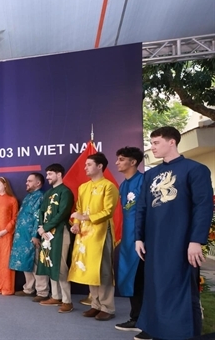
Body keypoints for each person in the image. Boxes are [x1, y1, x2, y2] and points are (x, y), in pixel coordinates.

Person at [135, 126, 213, 340]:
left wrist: (196, 240)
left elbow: (203, 206)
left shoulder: (195, 169)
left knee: (183, 291)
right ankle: (159, 331)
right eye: (151, 143)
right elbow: (142, 207)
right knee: (156, 289)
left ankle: (186, 334)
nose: (152, 147)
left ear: (172, 142)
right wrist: (138, 237)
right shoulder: (151, 174)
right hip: (154, 244)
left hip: (182, 243)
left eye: (156, 142)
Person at [68, 153, 119, 321]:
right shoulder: (83, 187)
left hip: (101, 234)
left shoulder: (109, 186)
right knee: (90, 270)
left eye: (89, 164)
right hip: (84, 234)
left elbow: (108, 211)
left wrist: (85, 218)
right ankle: (95, 305)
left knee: (103, 270)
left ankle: (107, 307)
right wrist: (76, 223)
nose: (85, 167)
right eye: (85, 165)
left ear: (100, 166)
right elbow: (79, 208)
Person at [113, 147, 147, 334]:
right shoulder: (123, 185)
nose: (117, 162)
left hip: (141, 239)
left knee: (141, 279)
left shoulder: (144, 181)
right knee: (130, 278)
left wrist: (141, 237)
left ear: (133, 162)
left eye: (121, 159)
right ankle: (135, 317)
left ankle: (144, 319)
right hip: (127, 240)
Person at [35, 164, 74, 313]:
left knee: (61, 265)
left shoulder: (65, 192)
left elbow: (63, 213)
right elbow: (41, 211)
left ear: (59, 174)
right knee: (50, 263)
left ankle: (67, 301)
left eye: (50, 174)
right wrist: (41, 227)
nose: (48, 177)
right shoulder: (48, 193)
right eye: (47, 174)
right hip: (46, 234)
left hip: (60, 232)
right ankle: (56, 296)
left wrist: (46, 227)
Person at [10, 173, 49, 300]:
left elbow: (39, 217)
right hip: (22, 236)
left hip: (32, 236)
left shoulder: (41, 197)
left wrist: (36, 235)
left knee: (37, 263)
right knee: (26, 263)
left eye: (29, 181)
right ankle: (28, 288)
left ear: (38, 183)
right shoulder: (28, 197)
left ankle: (42, 292)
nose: (26, 183)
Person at [0, 176, 18, 295]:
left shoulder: (12, 200)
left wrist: (5, 230)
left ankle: (6, 286)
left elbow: (15, 218)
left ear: (5, 185)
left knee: (5, 260)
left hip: (6, 235)